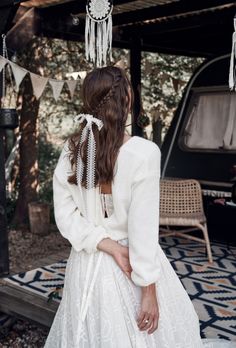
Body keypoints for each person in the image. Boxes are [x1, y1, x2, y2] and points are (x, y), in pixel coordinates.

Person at [44, 66, 235, 348]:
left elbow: (65, 216)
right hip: (129, 264)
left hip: (85, 263)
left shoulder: (72, 151)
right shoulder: (143, 153)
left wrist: (102, 242)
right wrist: (148, 290)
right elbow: (142, 230)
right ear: (127, 100)